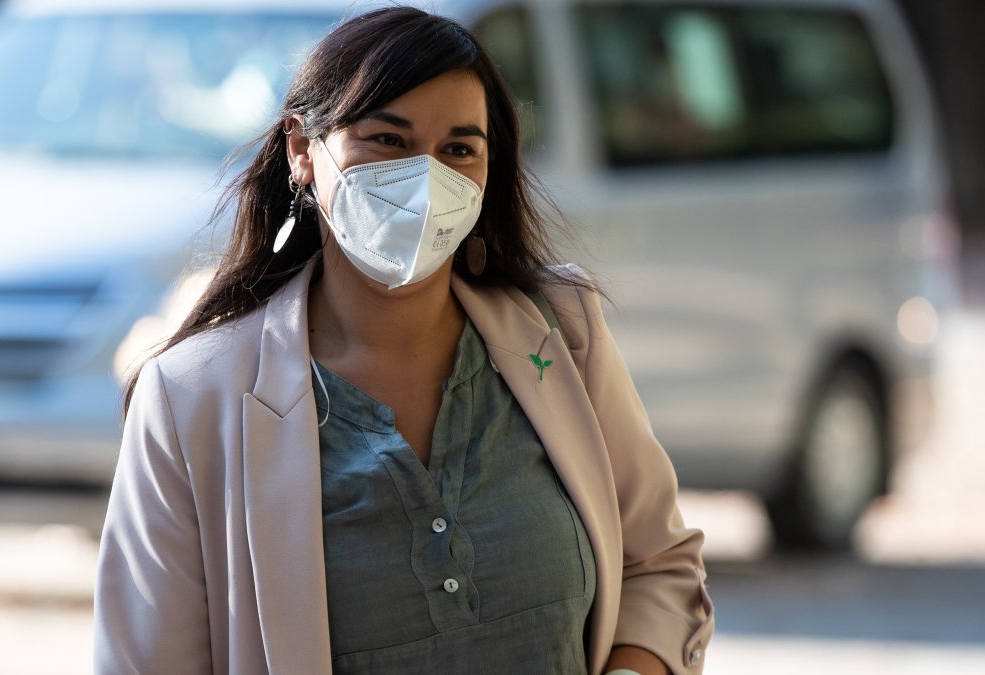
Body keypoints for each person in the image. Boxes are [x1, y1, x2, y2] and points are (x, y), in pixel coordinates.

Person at [94, 7, 713, 674]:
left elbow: (658, 564)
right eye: (388, 141)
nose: (426, 180)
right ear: (303, 150)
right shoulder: (191, 397)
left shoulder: (562, 333)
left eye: (458, 150)